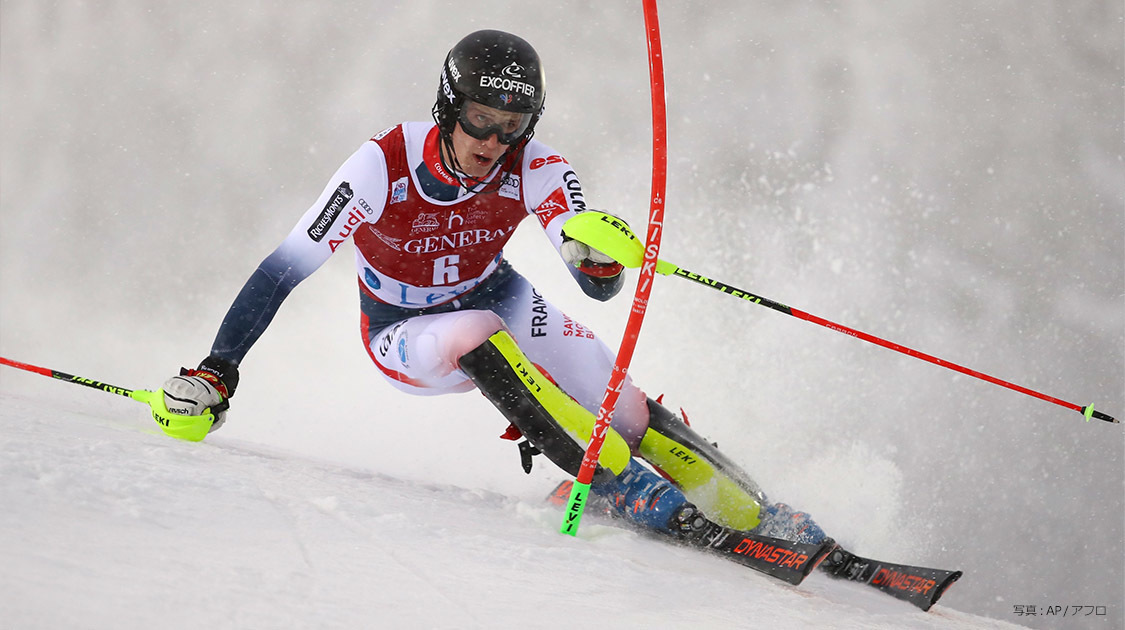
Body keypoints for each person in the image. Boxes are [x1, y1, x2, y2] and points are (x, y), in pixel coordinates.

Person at [161, 29, 826, 546]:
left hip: (496, 293)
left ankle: (755, 510)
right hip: (403, 330)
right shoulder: (382, 164)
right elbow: (282, 269)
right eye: (480, 118)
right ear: (449, 107)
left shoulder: (537, 165)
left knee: (622, 408)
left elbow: (593, 281)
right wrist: (219, 370)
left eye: (513, 124)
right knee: (476, 333)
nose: (493, 140)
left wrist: (598, 261)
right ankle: (622, 485)